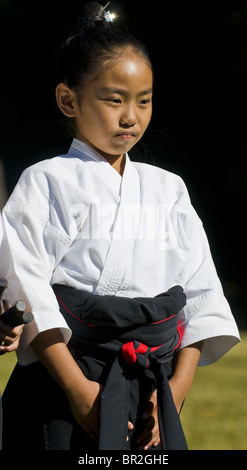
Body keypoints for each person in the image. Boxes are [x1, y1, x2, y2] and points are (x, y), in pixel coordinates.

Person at [0, 2, 240, 450]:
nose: (131, 116)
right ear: (68, 99)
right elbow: (26, 286)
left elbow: (201, 297)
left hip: (154, 388)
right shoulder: (47, 179)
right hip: (65, 381)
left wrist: (175, 391)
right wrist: (76, 389)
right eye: (115, 99)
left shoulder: (169, 189)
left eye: (143, 100)